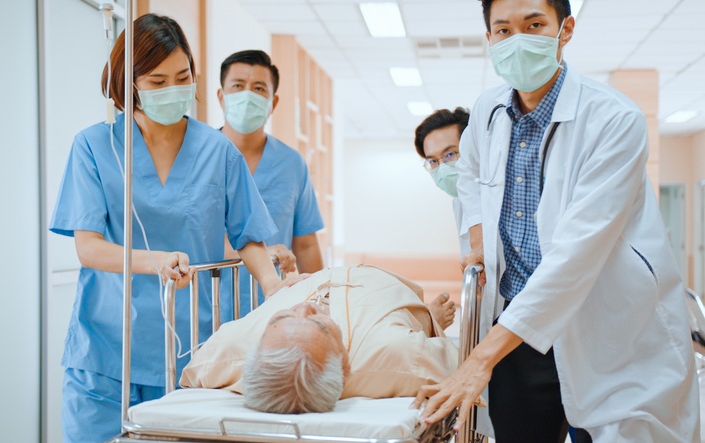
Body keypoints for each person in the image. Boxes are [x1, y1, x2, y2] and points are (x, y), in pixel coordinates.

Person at [411, 1, 700, 442]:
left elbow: (574, 258)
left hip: (606, 327)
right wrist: (478, 235)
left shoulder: (613, 119)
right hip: (516, 331)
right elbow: (468, 173)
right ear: (489, 38)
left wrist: (475, 361)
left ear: (565, 29)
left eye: (534, 25)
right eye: (504, 30)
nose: (518, 40)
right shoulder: (487, 111)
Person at [50, 15, 302, 443]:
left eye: (182, 77)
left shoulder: (215, 149)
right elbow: (88, 247)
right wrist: (157, 262)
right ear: (129, 85)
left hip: (190, 352)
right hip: (106, 350)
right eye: (157, 80)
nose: (173, 89)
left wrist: (273, 285)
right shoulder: (94, 146)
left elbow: (249, 236)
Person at [180, 265, 461, 414]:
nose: (302, 308)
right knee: (418, 322)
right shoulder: (395, 352)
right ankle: (426, 318)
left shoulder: (231, 348)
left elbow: (192, 375)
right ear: (344, 366)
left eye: (281, 319)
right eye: (318, 324)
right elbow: (462, 363)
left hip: (308, 278)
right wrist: (430, 325)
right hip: (387, 286)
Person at [217, 50, 325, 313]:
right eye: (238, 86)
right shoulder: (199, 157)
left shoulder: (291, 164)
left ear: (273, 102)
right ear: (221, 97)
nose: (247, 95)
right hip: (208, 304)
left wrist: (321, 302)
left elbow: (307, 244)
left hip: (273, 308)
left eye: (258, 88)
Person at [414, 108, 471, 331]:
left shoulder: (496, 196)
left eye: (450, 154)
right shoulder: (459, 201)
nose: (443, 168)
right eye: (433, 161)